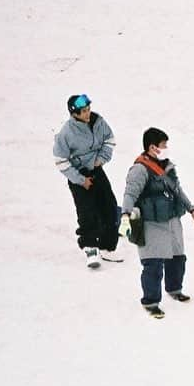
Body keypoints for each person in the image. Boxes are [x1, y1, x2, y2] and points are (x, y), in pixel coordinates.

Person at [119, 128, 194, 319]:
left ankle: (174, 289)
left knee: (177, 258)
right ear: (152, 147)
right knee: (153, 264)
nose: (167, 148)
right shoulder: (139, 170)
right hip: (152, 223)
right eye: (164, 145)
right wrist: (125, 215)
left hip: (172, 219)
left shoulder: (168, 166)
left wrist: (192, 210)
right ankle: (151, 301)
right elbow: (130, 194)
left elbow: (178, 190)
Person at [52, 94, 120, 268]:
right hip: (78, 175)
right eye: (84, 111)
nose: (88, 113)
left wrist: (100, 160)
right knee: (86, 213)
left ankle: (108, 246)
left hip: (96, 170)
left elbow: (110, 140)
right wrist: (81, 180)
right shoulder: (66, 133)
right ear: (74, 113)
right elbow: (61, 161)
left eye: (88, 109)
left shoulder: (98, 122)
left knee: (109, 206)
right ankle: (91, 248)